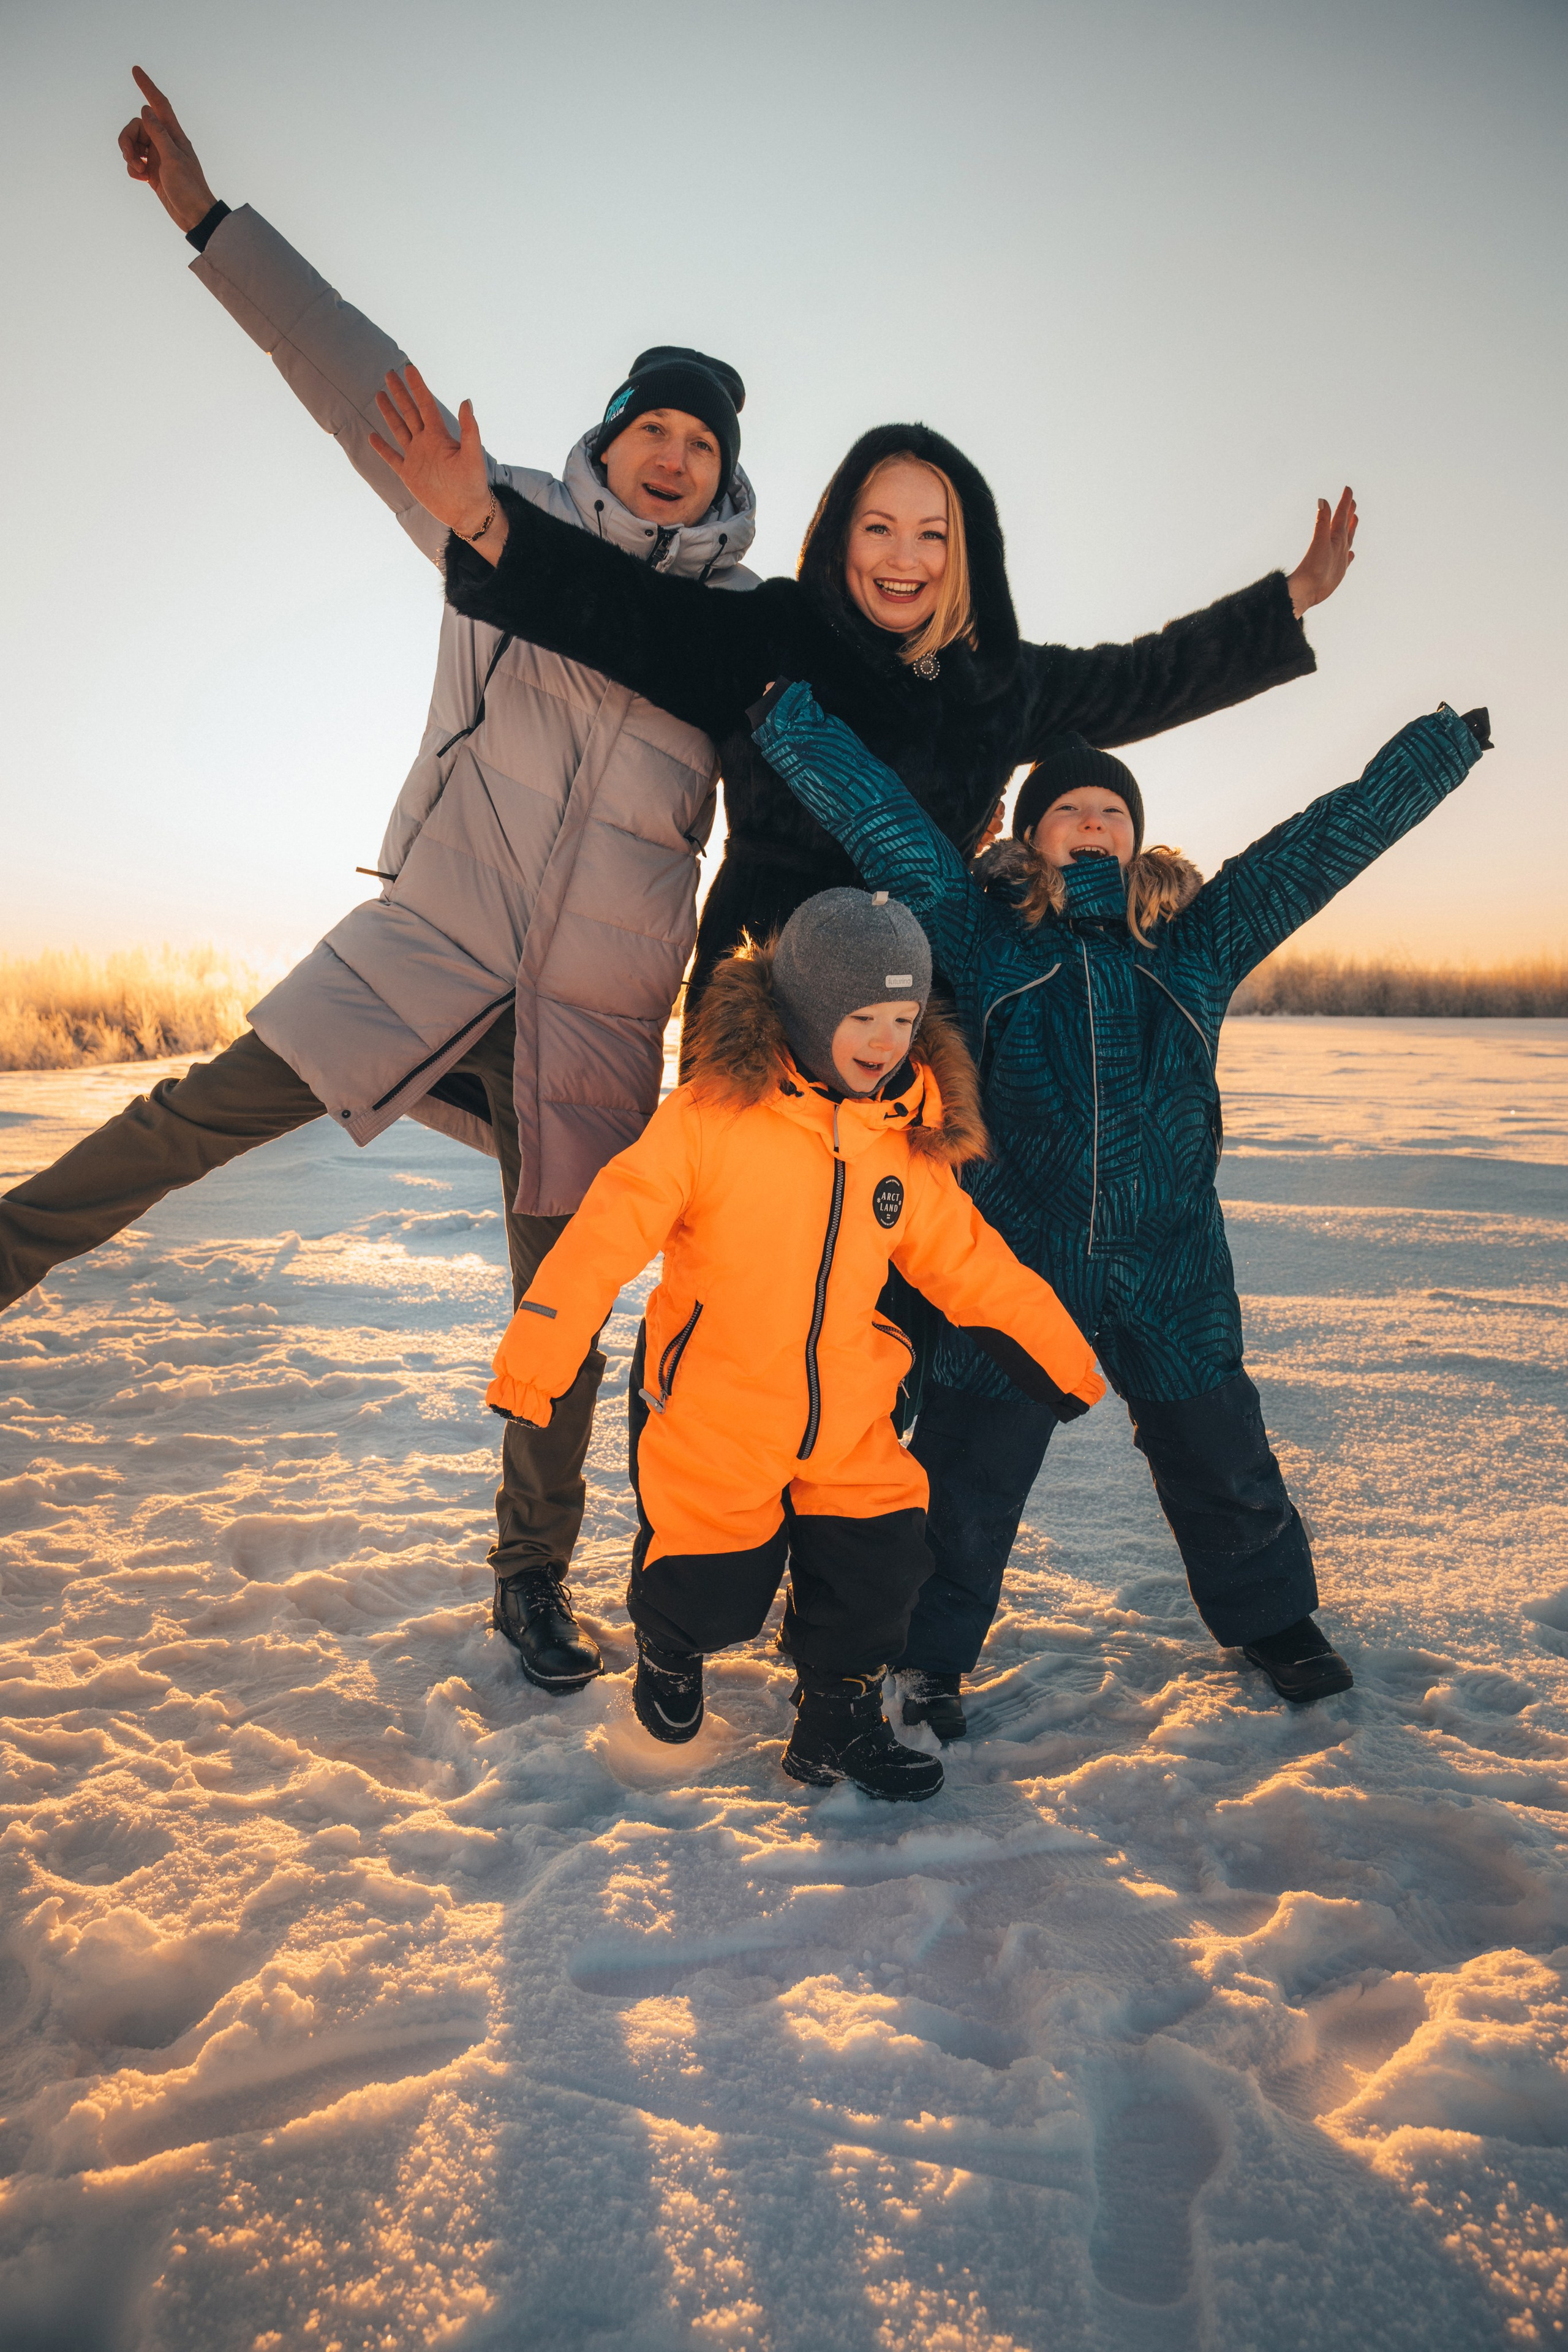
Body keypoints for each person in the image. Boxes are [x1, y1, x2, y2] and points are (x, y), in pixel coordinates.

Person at [0, 69, 762, 1695]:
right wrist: (206, 219)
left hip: (599, 1017)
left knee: (557, 1326)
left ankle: (531, 1583)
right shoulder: (501, 517)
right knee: (199, 1111)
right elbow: (349, 369)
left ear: (727, 472)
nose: (674, 454)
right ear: (611, 438)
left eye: (702, 440)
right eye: (654, 425)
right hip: (434, 939)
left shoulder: (741, 635)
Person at [749, 683, 1493, 1736]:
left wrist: (1434, 755)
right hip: (1016, 1261)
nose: (1093, 823)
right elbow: (890, 828)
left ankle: (1273, 1619)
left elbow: (1315, 851)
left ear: (1139, 837)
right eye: (1068, 811)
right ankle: (924, 1654)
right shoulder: (987, 938)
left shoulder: (1196, 944)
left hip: (1174, 1262)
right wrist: (794, 727)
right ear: (1030, 838)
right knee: (967, 1474)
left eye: (1112, 811)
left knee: (1220, 1452)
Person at [370, 370, 1355, 1029]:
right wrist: (484, 520)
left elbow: (1149, 674)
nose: (904, 557)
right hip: (763, 987)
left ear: (965, 551)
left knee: (891, 1293)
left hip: (917, 1002)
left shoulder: (999, 681)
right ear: (842, 534)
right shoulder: (778, 632)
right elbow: (622, 614)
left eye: (932, 534)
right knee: (746, 1263)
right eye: (880, 527)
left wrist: (1289, 604)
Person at [483, 887, 1105, 1801]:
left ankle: (835, 1724)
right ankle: (672, 1648)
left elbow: (974, 1264)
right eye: (864, 1016)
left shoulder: (903, 1143)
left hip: (850, 1407)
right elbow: (602, 1237)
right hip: (718, 1403)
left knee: (881, 1559)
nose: (888, 1040)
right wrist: (537, 1357)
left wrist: (1061, 1356)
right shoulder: (707, 1119)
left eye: (904, 1016)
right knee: (711, 1573)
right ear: (812, 1014)